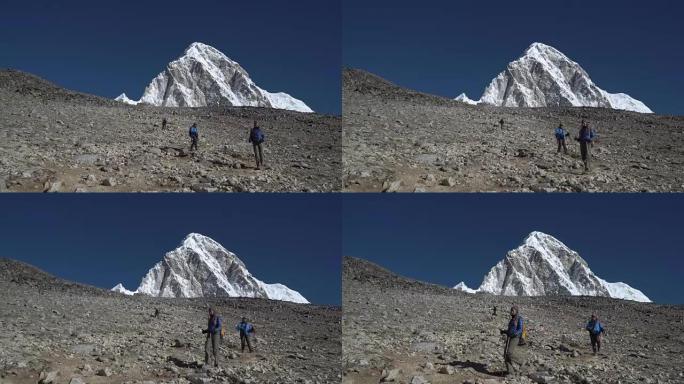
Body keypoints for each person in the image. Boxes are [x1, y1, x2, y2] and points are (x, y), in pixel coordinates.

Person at [500, 306, 524, 375]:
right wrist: (504, 331)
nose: (511, 312)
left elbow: (520, 329)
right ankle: (511, 372)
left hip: (515, 337)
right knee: (506, 355)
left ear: (516, 311)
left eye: (513, 310)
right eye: (511, 310)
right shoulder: (512, 320)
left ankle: (521, 362)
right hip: (509, 337)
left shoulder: (519, 319)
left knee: (509, 353)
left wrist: (514, 334)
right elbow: (510, 330)